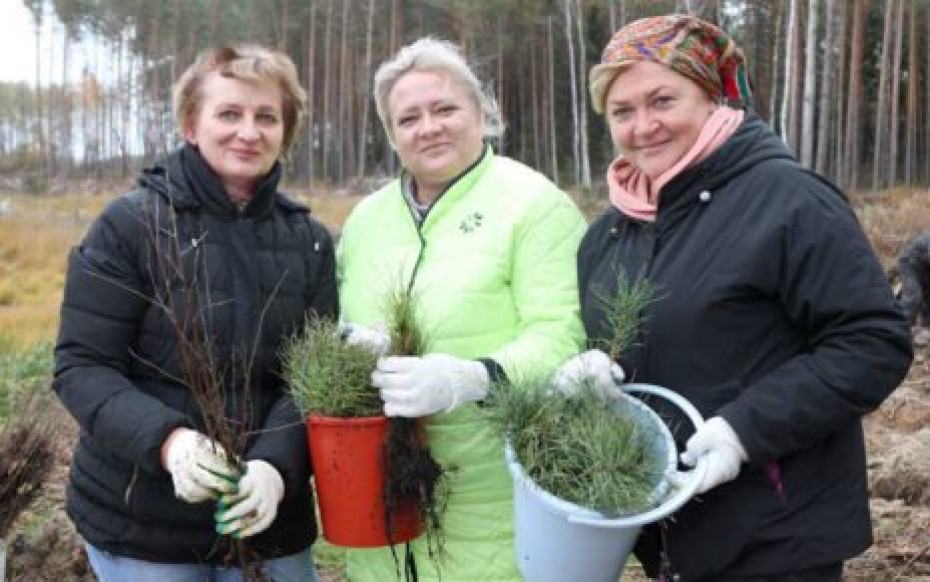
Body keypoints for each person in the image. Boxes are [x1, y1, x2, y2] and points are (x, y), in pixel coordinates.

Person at [551, 15, 913, 582]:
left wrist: (746, 431)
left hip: (777, 536)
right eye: (622, 111)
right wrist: (597, 370)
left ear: (711, 97)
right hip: (668, 535)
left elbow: (873, 343)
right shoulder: (609, 234)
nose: (643, 125)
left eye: (663, 99)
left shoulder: (789, 201)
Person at [53, 44, 337, 582]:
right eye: (229, 113)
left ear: (286, 132)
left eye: (266, 117)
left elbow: (311, 379)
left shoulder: (311, 243)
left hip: (268, 524)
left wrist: (276, 469)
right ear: (191, 124)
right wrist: (169, 442)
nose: (248, 132)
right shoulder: (130, 227)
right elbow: (82, 366)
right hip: (143, 526)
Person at [337, 37, 587, 582]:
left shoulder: (533, 206)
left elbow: (562, 334)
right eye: (409, 118)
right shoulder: (364, 222)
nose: (429, 127)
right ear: (392, 134)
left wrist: (473, 378)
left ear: (481, 113)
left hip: (491, 514)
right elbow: (338, 324)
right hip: (380, 516)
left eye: (445, 108)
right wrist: (347, 347)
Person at [894, 230, 930, 341]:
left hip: (924, 266)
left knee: (927, 296)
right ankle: (898, 330)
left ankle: (926, 329)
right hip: (908, 264)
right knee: (914, 296)